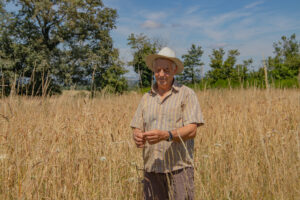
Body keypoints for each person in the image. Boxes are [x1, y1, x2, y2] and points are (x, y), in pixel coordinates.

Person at [130, 47, 204, 200]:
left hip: (179, 168)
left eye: (166, 70)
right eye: (158, 70)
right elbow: (137, 126)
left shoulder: (186, 94)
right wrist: (137, 136)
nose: (161, 74)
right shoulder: (146, 98)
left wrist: (166, 135)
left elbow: (192, 130)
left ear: (175, 70)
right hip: (152, 169)